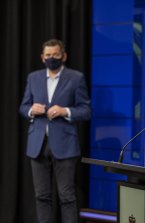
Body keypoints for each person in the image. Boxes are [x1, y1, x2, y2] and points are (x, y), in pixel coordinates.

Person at [19, 39, 91, 223]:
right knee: (41, 196)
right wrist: (30, 110)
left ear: (64, 56)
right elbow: (23, 106)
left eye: (56, 55)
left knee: (66, 196)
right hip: (37, 144)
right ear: (42, 58)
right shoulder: (33, 78)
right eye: (48, 55)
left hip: (65, 144)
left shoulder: (76, 78)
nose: (52, 58)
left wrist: (65, 111)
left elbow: (85, 110)